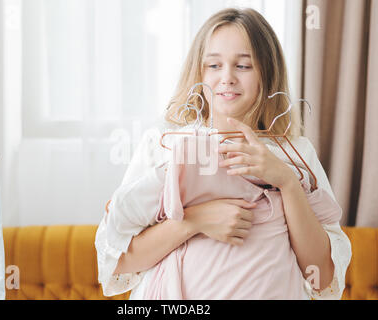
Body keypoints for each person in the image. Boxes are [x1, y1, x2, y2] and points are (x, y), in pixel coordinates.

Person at [95, 7, 351, 300]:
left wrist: (287, 181)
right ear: (198, 71)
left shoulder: (295, 153)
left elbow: (320, 277)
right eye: (214, 66)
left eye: (243, 66)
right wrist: (194, 220)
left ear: (267, 73)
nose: (227, 78)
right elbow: (118, 260)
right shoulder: (166, 145)